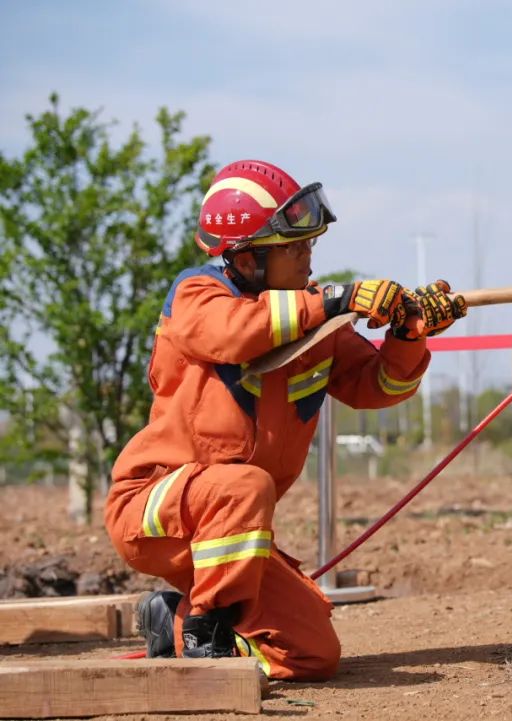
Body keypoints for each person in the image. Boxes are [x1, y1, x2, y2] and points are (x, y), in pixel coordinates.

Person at [104, 159, 466, 680]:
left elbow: (379, 387)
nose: (308, 257)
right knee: (244, 485)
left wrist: (409, 335)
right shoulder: (198, 296)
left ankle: (178, 623)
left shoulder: (312, 321)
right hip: (154, 508)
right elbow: (233, 333)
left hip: (229, 522)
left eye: (309, 245)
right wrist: (337, 299)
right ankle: (208, 638)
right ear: (246, 258)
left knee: (313, 653)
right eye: (293, 247)